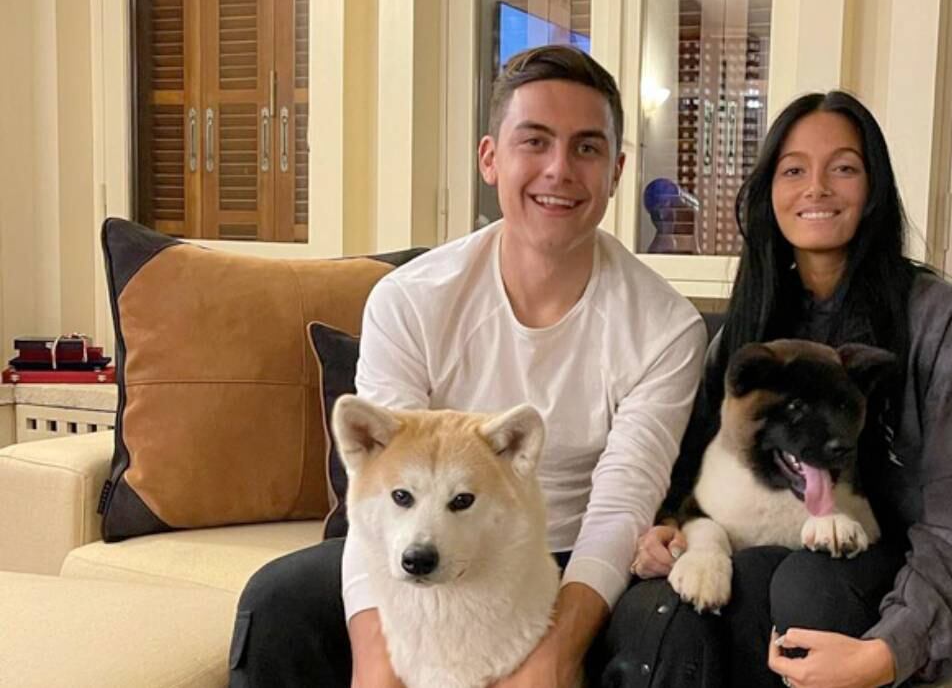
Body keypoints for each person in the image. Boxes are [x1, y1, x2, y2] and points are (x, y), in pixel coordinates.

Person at [228, 45, 707, 688]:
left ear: (616, 171)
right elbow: (377, 482)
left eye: (587, 148)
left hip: (576, 555)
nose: (559, 169)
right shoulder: (411, 299)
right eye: (534, 141)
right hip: (434, 537)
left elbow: (622, 503)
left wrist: (555, 656)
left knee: (670, 630)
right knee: (278, 601)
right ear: (490, 158)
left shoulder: (665, 327)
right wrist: (377, 661)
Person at [595, 91, 952, 688]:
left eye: (843, 168)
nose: (816, 188)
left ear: (873, 188)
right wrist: (670, 531)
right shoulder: (751, 328)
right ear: (769, 191)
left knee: (807, 590)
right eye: (794, 171)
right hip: (825, 564)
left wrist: (889, 651)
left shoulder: (941, 320)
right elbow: (690, 477)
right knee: (672, 608)